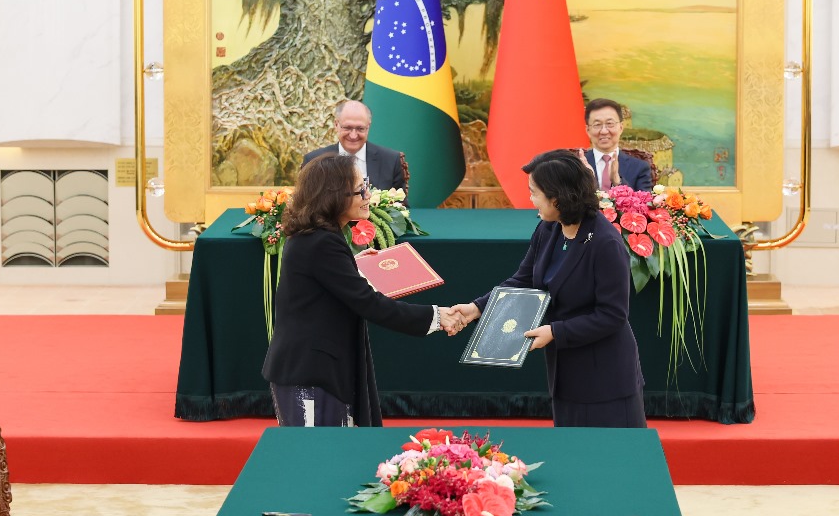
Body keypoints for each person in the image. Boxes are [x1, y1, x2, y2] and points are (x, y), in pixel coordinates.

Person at [451, 150, 647, 428]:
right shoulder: (549, 229)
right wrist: (477, 308)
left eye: (534, 193)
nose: (531, 199)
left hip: (606, 378)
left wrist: (555, 332)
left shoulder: (605, 244)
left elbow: (612, 315)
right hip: (565, 373)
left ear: (557, 198)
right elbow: (522, 280)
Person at [263, 154, 460, 427]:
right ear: (333, 195)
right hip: (311, 374)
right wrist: (437, 317)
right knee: (318, 452)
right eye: (360, 190)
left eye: (365, 186)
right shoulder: (321, 243)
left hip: (314, 369)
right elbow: (369, 303)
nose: (368, 195)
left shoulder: (317, 236)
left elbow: (325, 282)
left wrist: (353, 265)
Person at [303, 100, 407, 193]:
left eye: (360, 128)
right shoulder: (313, 162)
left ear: (368, 127)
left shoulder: (391, 160)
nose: (353, 135)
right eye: (347, 128)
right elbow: (305, 204)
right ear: (336, 125)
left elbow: (400, 205)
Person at [582, 98, 653, 193]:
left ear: (621, 127)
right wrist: (589, 180)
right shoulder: (577, 166)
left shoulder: (639, 167)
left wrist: (617, 181)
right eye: (597, 124)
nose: (604, 131)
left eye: (609, 124)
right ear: (588, 130)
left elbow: (645, 201)